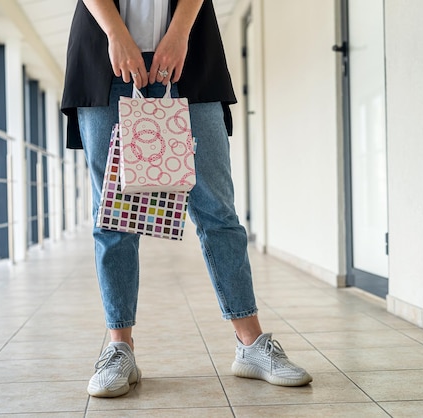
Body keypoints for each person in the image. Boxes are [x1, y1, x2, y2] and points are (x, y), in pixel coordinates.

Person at [61, 0, 312, 398]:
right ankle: (118, 348)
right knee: (113, 215)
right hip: (105, 60)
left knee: (218, 212)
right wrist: (115, 32)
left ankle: (250, 345)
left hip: (188, 58)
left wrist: (179, 33)